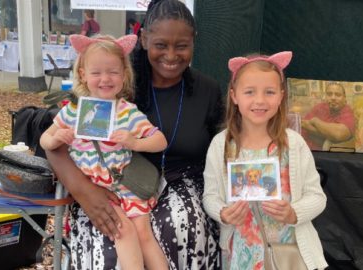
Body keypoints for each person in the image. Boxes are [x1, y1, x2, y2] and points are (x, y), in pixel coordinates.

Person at [44, 0, 224, 269]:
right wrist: (84, 191)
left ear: (194, 42)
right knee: (106, 243)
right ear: (144, 39)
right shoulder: (109, 85)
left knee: (182, 226)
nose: (171, 55)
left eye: (182, 45)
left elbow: (224, 147)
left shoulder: (207, 90)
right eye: (161, 45)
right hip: (104, 183)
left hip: (180, 183)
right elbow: (51, 142)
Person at [40, 34, 169, 269]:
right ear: (83, 75)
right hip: (95, 189)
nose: (105, 79)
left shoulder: (127, 112)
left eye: (113, 72)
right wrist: (56, 138)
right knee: (124, 230)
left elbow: (160, 140)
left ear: (124, 75)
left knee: (144, 233)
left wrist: (135, 142)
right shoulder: (74, 110)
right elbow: (44, 139)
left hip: (124, 185)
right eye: (96, 72)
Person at [203, 51, 328, 270]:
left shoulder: (294, 145)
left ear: (281, 96)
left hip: (289, 252)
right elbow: (210, 196)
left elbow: (317, 197)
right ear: (234, 96)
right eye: (249, 92)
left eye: (269, 92)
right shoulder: (221, 145)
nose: (259, 100)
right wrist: (223, 212)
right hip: (242, 254)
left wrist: (293, 212)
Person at [301, 82, 355, 150]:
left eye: (338, 95)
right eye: (329, 94)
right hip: (301, 145)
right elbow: (303, 124)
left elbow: (338, 134)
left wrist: (315, 121)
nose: (333, 98)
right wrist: (328, 134)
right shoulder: (320, 107)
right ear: (325, 96)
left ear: (344, 98)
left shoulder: (347, 112)